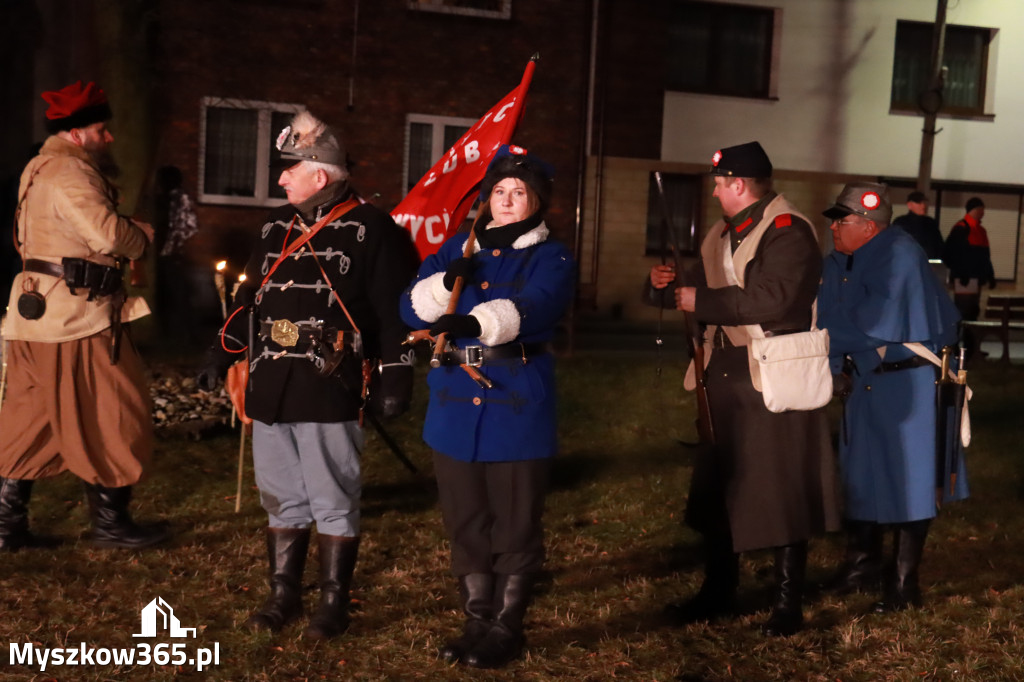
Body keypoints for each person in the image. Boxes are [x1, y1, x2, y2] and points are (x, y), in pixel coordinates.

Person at [196, 110, 416, 639]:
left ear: (320, 174)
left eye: (288, 169)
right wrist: (220, 352)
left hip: (329, 382)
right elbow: (250, 302)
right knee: (280, 495)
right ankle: (283, 595)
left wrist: (395, 378)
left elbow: (392, 314)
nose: (280, 179)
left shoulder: (373, 230)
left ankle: (333, 602)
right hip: (272, 385)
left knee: (333, 496)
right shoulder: (274, 225)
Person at [647, 141, 839, 637]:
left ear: (739, 185)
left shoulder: (788, 231)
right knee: (719, 487)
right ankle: (718, 590)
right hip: (726, 371)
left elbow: (772, 298)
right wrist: (665, 284)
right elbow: (694, 286)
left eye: (719, 183)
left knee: (780, 489)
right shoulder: (722, 233)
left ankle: (786, 601)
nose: (713, 192)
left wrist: (699, 297)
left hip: (771, 372)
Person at [400, 145, 574, 668]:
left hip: (516, 397)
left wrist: (474, 322)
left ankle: (507, 624)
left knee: (516, 518)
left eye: (519, 192)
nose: (506, 199)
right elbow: (407, 303)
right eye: (499, 191)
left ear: (537, 203)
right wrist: (441, 286)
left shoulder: (551, 255)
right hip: (455, 401)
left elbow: (539, 302)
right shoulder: (460, 245)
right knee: (466, 516)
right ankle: (477, 615)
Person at [0, 81, 170, 551]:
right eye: (100, 129)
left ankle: (5, 526)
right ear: (76, 134)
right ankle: (111, 525)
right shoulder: (72, 173)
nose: (108, 137)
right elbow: (108, 235)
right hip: (76, 319)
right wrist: (140, 235)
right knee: (115, 408)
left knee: (30, 417)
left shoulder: (38, 167)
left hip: (33, 318)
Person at [817, 182, 967, 611]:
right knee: (860, 475)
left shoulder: (900, 252)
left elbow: (868, 323)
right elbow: (827, 315)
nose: (834, 229)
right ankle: (861, 567)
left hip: (911, 383)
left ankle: (903, 584)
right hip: (865, 381)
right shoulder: (836, 261)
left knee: (910, 482)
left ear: (867, 225)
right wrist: (830, 372)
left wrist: (818, 346)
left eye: (841, 221)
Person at [942, 197, 995, 353]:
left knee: (973, 312)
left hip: (976, 279)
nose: (983, 213)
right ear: (973, 210)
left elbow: (985, 257)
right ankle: (957, 347)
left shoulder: (980, 230)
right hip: (965, 280)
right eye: (981, 210)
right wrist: (960, 273)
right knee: (963, 313)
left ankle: (971, 348)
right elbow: (950, 254)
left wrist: (989, 275)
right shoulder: (961, 228)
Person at [891, 190, 943, 260]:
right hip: (906, 262)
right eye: (919, 203)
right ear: (909, 205)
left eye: (924, 202)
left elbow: (939, 246)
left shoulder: (931, 223)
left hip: (928, 264)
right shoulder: (901, 223)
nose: (923, 205)